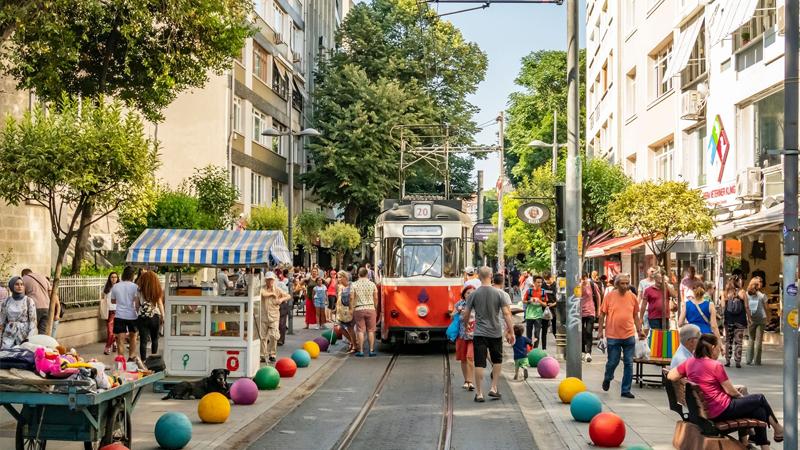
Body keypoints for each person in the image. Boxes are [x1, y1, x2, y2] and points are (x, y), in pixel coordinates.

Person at [667, 334, 783, 449]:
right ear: (712, 348)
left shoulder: (690, 362)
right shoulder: (715, 365)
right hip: (721, 410)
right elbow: (731, 391)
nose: (720, 351)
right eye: (719, 348)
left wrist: (690, 379)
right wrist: (741, 397)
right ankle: (777, 428)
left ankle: (766, 445)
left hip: (705, 410)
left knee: (759, 410)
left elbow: (671, 376)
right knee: (759, 399)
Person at [462, 266, 515, 403]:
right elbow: (507, 314)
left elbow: (466, 314)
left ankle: (479, 393)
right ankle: (493, 387)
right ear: (491, 275)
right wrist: (511, 331)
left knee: (479, 362)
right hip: (496, 333)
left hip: (479, 333)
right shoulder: (500, 294)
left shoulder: (473, 294)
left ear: (478, 276)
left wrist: (466, 325)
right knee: (497, 360)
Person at [597, 273, 645, 399]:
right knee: (613, 361)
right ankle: (608, 377)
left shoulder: (632, 297)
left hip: (629, 335)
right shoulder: (609, 296)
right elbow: (602, 314)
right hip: (613, 335)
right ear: (617, 284)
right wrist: (600, 331)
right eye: (622, 283)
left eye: (627, 283)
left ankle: (625, 390)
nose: (625, 286)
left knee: (629, 363)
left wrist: (640, 330)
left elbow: (635, 315)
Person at [110, 266, 140, 363]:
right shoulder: (135, 287)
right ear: (132, 275)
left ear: (123, 274)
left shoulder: (116, 286)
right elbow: (136, 302)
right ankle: (131, 357)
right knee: (133, 337)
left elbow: (113, 301)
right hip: (132, 315)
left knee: (120, 339)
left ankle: (121, 358)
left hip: (119, 315)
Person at [260, 272, 290, 362]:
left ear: (274, 280)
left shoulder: (277, 289)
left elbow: (288, 296)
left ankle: (272, 353)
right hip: (263, 316)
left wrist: (281, 299)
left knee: (274, 336)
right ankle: (263, 354)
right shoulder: (262, 288)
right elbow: (263, 294)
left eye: (271, 279)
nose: (270, 281)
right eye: (268, 279)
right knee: (263, 337)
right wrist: (272, 294)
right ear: (265, 280)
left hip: (274, 316)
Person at [0, 277, 37, 349]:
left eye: (22, 284)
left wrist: (29, 339)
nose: (20, 286)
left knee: (22, 356)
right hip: (8, 334)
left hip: (24, 335)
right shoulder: (6, 301)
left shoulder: (28, 301)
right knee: (6, 355)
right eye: (16, 284)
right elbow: (2, 321)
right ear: (11, 286)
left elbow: (33, 322)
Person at [136, 271, 164, 362]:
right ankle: (153, 360)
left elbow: (136, 305)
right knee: (154, 339)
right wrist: (163, 316)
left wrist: (139, 313)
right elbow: (160, 304)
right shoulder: (157, 290)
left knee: (143, 341)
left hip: (142, 316)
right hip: (155, 316)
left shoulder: (139, 290)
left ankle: (143, 361)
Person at [721, 279, 750, 368]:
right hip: (740, 320)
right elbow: (746, 306)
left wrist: (723, 317)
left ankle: (728, 360)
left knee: (728, 340)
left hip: (729, 319)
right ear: (737, 282)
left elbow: (722, 306)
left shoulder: (725, 293)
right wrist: (749, 317)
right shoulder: (742, 292)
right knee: (738, 341)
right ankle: (738, 361)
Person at [352, 267, 379, 357]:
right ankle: (371, 350)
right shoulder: (372, 284)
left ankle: (361, 351)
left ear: (358, 274)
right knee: (371, 330)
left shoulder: (354, 284)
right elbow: (375, 297)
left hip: (359, 309)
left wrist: (351, 308)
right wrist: (375, 306)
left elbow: (351, 297)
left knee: (360, 330)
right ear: (367, 274)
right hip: (370, 308)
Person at [454, 284, 476, 390]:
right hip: (462, 335)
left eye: (472, 293)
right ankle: (466, 380)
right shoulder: (459, 304)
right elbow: (452, 316)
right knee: (463, 359)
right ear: (464, 294)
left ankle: (470, 381)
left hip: (473, 335)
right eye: (468, 293)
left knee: (470, 357)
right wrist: (457, 312)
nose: (470, 295)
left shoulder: (478, 305)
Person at [745, 277, 768, 366]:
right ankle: (757, 361)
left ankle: (748, 360)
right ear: (758, 284)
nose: (762, 283)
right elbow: (766, 308)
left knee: (751, 338)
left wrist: (748, 317)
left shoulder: (746, 294)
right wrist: (768, 318)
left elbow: (746, 306)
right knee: (758, 340)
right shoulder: (762, 295)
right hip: (761, 318)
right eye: (760, 282)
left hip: (751, 319)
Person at [21, 268, 51, 335]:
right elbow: (50, 294)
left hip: (34, 307)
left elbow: (21, 296)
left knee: (32, 330)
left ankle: (33, 344)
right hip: (46, 307)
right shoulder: (43, 277)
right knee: (42, 331)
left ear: (24, 274)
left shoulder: (24, 278)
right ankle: (41, 345)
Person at [522, 275, 546, 348]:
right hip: (529, 315)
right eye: (538, 282)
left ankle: (535, 349)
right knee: (528, 334)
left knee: (537, 334)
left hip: (538, 316)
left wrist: (539, 301)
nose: (539, 284)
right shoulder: (529, 291)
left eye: (541, 282)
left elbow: (545, 304)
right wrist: (530, 300)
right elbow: (523, 301)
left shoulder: (543, 292)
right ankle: (529, 348)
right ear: (534, 282)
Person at [336, 270, 356, 353]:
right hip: (341, 311)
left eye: (340, 277)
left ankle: (354, 346)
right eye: (338, 277)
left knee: (350, 328)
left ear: (345, 277)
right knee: (339, 328)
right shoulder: (339, 287)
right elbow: (338, 298)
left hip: (349, 310)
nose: (338, 279)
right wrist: (336, 308)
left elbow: (353, 298)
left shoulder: (352, 286)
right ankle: (352, 342)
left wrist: (352, 310)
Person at [580, 273, 598, 362]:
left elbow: (598, 297)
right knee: (582, 332)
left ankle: (588, 352)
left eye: (584, 278)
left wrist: (599, 309)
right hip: (579, 313)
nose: (583, 280)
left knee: (588, 332)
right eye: (581, 279)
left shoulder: (592, 285)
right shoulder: (577, 286)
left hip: (590, 311)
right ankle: (582, 351)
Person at [101, 272, 119, 355]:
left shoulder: (119, 287)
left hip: (116, 311)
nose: (114, 278)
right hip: (107, 310)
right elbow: (103, 297)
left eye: (115, 277)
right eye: (112, 277)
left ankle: (107, 347)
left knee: (110, 330)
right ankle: (114, 344)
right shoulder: (106, 287)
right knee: (110, 331)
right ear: (109, 278)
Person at [541, 271, 558, 341]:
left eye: (548, 279)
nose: (547, 281)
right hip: (545, 308)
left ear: (551, 278)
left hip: (554, 308)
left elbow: (560, 298)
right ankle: (544, 346)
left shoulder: (556, 286)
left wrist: (554, 304)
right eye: (545, 280)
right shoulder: (543, 285)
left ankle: (558, 340)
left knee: (554, 326)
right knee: (544, 328)